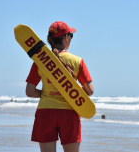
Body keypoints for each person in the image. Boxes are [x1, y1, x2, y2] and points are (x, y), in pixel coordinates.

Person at [25, 21, 94, 152]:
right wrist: (69, 90)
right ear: (66, 38)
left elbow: (29, 92)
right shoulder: (77, 61)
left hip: (45, 113)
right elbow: (90, 91)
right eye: (71, 36)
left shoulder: (40, 60)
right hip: (69, 113)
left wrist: (45, 93)